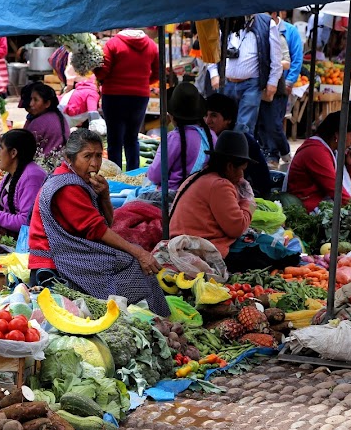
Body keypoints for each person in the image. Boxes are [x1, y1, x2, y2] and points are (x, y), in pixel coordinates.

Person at [28, 129, 167, 315]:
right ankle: (138, 314)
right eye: (87, 156)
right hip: (54, 261)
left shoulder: (76, 180)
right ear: (70, 158)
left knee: (129, 258)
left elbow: (107, 224)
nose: (94, 164)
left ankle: (145, 314)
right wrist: (139, 253)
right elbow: (98, 230)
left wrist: (104, 196)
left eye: (98, 156)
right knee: (132, 264)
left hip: (72, 252)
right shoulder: (67, 187)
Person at [169, 131, 255, 258]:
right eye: (241, 169)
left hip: (185, 243)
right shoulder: (219, 185)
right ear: (230, 166)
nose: (242, 176)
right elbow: (237, 228)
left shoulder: (198, 176)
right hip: (195, 250)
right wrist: (248, 202)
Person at [94, 29, 159, 170]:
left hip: (114, 96)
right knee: (132, 138)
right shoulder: (151, 45)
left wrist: (95, 69)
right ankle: (134, 175)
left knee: (114, 140)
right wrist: (143, 82)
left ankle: (116, 178)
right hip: (139, 97)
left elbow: (103, 72)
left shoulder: (113, 44)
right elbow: (158, 73)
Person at [208, 14, 283, 135]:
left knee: (244, 126)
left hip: (252, 84)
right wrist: (213, 73)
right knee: (221, 125)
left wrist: (272, 81)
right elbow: (212, 48)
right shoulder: (225, 19)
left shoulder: (266, 23)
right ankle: (223, 152)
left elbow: (276, 56)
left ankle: (240, 152)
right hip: (225, 82)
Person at [285, 110, 351, 212]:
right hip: (308, 207)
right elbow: (336, 191)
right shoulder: (316, 152)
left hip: (322, 203)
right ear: (337, 134)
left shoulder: (331, 151)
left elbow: (346, 190)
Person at [148, 83, 215, 194]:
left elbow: (155, 175)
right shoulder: (211, 136)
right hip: (203, 194)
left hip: (172, 197)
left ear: (172, 116)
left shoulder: (173, 138)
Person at [258, 10, 302, 168]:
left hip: (280, 85)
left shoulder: (288, 32)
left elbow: (295, 60)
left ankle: (283, 152)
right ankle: (271, 155)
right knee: (263, 122)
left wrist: (289, 81)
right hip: (262, 85)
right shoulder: (260, 31)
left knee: (275, 123)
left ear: (276, 14)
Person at [204, 93, 271, 198]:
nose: (207, 121)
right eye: (205, 115)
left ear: (228, 119)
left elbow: (260, 183)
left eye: (214, 115)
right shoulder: (208, 138)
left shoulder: (242, 143)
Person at [24, 83, 69, 155]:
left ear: (47, 103)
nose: (31, 104)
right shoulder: (59, 117)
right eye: (31, 99)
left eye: (35, 100)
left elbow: (24, 147)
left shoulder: (39, 122)